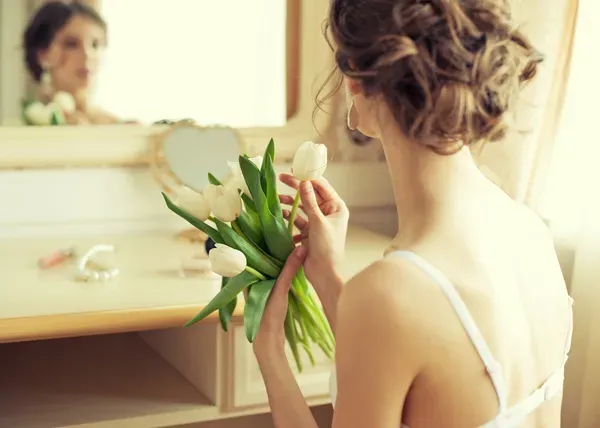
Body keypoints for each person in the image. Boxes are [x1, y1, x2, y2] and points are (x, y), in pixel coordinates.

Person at [252, 0, 573, 427]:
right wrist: (329, 279)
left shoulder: (391, 293)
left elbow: (401, 324)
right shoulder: (530, 232)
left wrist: (269, 349)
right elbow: (415, 362)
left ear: (357, 79)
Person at [23, 1, 129, 124]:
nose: (87, 55)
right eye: (71, 44)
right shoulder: (21, 129)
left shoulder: (120, 128)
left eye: (95, 45)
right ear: (43, 54)